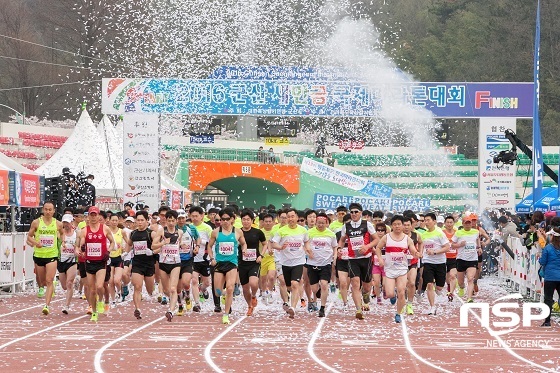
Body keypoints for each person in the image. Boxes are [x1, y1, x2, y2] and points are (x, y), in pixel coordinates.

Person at [337, 203, 378, 319]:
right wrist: (339, 248)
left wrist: (367, 246)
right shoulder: (346, 226)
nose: (354, 214)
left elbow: (376, 239)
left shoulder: (367, 224)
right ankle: (358, 309)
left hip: (366, 258)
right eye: (352, 212)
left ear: (360, 213)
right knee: (355, 283)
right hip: (352, 259)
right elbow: (342, 240)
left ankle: (366, 294)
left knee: (366, 285)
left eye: (356, 212)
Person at [207, 208, 248, 324]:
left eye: (227, 219)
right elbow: (209, 246)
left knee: (230, 288)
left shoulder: (238, 231)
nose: (224, 221)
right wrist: (212, 258)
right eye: (222, 219)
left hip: (232, 263)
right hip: (219, 264)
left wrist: (244, 250)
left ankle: (226, 314)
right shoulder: (215, 232)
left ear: (232, 219)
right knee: (217, 292)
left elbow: (244, 243)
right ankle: (225, 295)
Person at [75, 206, 115, 322]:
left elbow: (112, 242)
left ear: (98, 216)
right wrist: (79, 250)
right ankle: (94, 311)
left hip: (101, 262)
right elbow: (79, 245)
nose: (93, 217)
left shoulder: (105, 229)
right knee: (92, 290)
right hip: (89, 261)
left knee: (99, 286)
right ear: (88, 217)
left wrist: (108, 251)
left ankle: (101, 300)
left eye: (95, 215)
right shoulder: (84, 230)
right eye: (91, 215)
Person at [271, 208, 313, 318]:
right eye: (288, 216)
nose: (290, 218)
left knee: (295, 284)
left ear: (297, 217)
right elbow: (273, 244)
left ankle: (293, 308)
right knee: (289, 286)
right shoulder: (281, 231)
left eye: (292, 216)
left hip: (299, 261)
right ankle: (290, 298)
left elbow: (306, 242)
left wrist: (308, 249)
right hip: (285, 262)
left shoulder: (303, 230)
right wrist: (280, 247)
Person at [376, 215, 418, 323]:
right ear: (392, 226)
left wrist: (416, 253)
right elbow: (378, 248)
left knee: (401, 291)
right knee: (389, 293)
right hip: (389, 269)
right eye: (395, 224)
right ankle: (392, 296)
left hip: (402, 269)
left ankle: (398, 313)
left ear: (403, 225)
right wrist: (380, 259)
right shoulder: (387, 237)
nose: (397, 226)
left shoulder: (407, 239)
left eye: (399, 224)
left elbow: (412, 250)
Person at [26, 201, 63, 315]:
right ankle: (50, 286)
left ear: (53, 211)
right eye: (46, 209)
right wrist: (36, 243)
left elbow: (62, 234)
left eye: (50, 210)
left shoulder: (58, 224)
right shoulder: (36, 222)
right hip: (39, 255)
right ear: (43, 210)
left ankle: (46, 305)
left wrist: (61, 242)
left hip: (52, 254)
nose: (48, 212)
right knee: (42, 281)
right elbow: (29, 236)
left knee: (49, 280)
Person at [124, 210, 162, 319]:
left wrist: (153, 252)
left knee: (150, 290)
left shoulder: (151, 234)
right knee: (137, 286)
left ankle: (153, 292)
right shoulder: (133, 233)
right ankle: (137, 309)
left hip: (149, 264)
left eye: (142, 220)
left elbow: (159, 247)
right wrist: (126, 253)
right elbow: (129, 244)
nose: (139, 222)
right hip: (137, 264)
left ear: (146, 221)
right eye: (138, 220)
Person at [307, 212, 337, 317]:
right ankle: (318, 291)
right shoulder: (309, 233)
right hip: (312, 263)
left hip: (326, 264)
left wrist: (335, 257)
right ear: (315, 223)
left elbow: (335, 247)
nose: (320, 225)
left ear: (326, 223)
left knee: (324, 284)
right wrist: (308, 252)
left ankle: (322, 308)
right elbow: (304, 245)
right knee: (314, 289)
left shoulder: (331, 234)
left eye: (322, 223)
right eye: (318, 223)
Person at [420, 213, 450, 315]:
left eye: (428, 220)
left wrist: (435, 252)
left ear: (434, 221)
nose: (426, 222)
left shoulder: (439, 233)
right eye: (425, 220)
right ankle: (432, 307)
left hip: (440, 262)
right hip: (428, 262)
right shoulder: (423, 235)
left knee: (439, 287)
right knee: (429, 284)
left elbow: (447, 247)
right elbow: (421, 247)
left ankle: (439, 289)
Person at [239, 210, 266, 316]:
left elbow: (265, 244)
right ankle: (249, 306)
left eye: (248, 220)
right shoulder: (237, 232)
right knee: (245, 288)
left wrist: (261, 255)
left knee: (253, 283)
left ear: (252, 221)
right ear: (241, 220)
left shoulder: (257, 232)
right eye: (244, 220)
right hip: (242, 263)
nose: (246, 222)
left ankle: (254, 295)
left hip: (254, 262)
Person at [159, 210, 183, 321]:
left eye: (173, 221)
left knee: (173, 288)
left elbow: (180, 244)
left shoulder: (180, 232)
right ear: (166, 220)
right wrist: (163, 243)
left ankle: (171, 310)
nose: (171, 223)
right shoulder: (161, 232)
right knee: (166, 290)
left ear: (176, 221)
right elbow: (154, 245)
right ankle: (174, 300)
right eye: (169, 221)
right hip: (163, 263)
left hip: (175, 263)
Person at [451, 214, 481, 303]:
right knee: (460, 282)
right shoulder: (458, 233)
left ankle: (469, 298)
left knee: (470, 278)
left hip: (472, 259)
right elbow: (452, 245)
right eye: (466, 223)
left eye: (469, 223)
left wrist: (479, 248)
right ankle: (461, 288)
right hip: (461, 259)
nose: (468, 225)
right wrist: (460, 245)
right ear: (463, 224)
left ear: (471, 223)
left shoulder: (476, 232)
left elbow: (477, 241)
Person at [538, 227, 560, 327]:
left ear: (552, 236)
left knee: (548, 298)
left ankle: (547, 321)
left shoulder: (548, 248)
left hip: (550, 277)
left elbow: (543, 261)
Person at [58, 213, 78, 315]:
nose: (66, 225)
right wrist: (60, 245)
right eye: (64, 222)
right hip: (61, 261)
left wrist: (76, 248)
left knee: (69, 283)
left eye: (68, 222)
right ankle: (76, 281)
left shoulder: (76, 234)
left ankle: (66, 305)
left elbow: (80, 246)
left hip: (72, 261)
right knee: (64, 286)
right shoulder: (59, 233)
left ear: (71, 223)